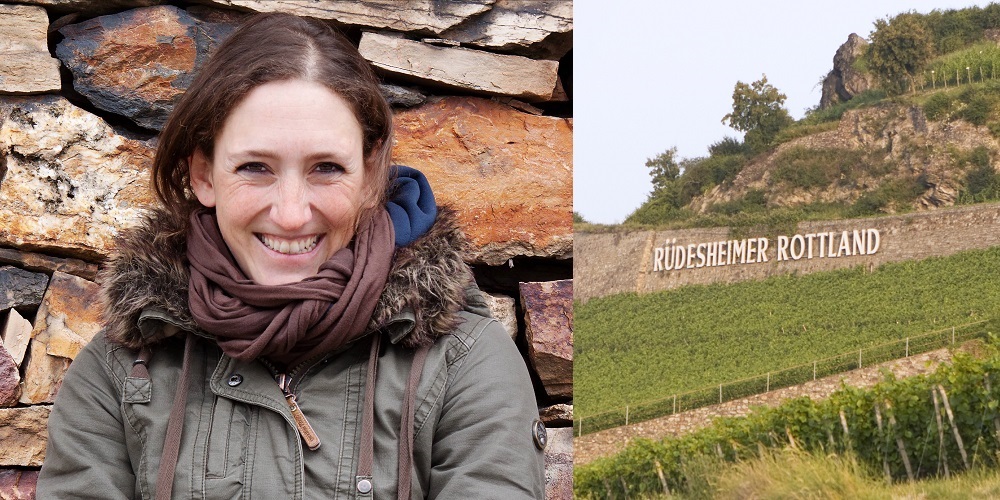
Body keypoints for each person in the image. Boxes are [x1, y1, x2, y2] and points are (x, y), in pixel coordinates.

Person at [37, 12, 545, 499]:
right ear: (204, 175)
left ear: (370, 178)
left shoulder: (463, 361)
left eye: (326, 168)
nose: (291, 214)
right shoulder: (121, 371)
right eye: (256, 167)